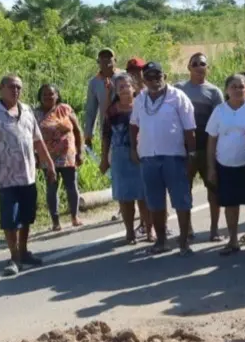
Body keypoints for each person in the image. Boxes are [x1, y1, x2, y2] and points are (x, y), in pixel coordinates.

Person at [0, 74, 56, 275]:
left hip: (28, 174)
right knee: (10, 219)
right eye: (11, 87)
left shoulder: (27, 110)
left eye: (19, 87)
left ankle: (24, 251)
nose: (16, 91)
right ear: (1, 88)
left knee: (27, 216)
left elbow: (37, 140)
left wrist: (50, 164)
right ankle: (14, 257)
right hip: (6, 176)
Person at [130, 61, 197, 256]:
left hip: (174, 157)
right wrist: (134, 148)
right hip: (148, 157)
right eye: (149, 77)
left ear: (164, 76)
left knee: (181, 201)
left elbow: (190, 129)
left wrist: (191, 154)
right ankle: (161, 241)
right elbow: (133, 125)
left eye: (157, 76)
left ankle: (184, 241)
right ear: (144, 79)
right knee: (155, 202)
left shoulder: (178, 97)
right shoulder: (140, 99)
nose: (154, 80)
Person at [206, 74, 245, 256]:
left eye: (241, 87)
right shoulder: (219, 111)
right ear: (227, 90)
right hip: (225, 165)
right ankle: (233, 240)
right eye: (234, 87)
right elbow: (212, 140)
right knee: (230, 204)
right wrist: (212, 168)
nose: (238, 90)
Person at [175, 52, 226, 242]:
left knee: (213, 190)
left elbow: (219, 122)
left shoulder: (214, 92)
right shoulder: (179, 89)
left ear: (207, 68)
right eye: (194, 63)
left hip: (207, 148)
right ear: (189, 67)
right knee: (184, 190)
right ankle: (187, 229)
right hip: (184, 149)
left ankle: (214, 230)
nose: (198, 67)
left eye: (202, 64)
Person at [100, 74, 144, 244]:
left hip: (142, 153)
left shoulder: (142, 106)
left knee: (144, 195)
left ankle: (149, 229)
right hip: (120, 155)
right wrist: (104, 159)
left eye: (127, 86)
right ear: (116, 91)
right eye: (121, 87)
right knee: (125, 197)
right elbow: (106, 136)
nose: (125, 90)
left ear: (134, 88)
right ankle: (130, 231)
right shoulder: (111, 111)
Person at [36, 83, 84, 231]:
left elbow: (77, 130)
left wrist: (80, 151)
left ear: (57, 95)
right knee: (51, 188)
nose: (48, 97)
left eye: (51, 94)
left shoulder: (65, 109)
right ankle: (55, 221)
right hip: (47, 156)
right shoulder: (35, 114)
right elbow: (31, 136)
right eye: (44, 94)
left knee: (71, 186)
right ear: (40, 97)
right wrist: (36, 156)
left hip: (68, 154)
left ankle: (75, 217)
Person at [82, 47, 117, 153]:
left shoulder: (123, 77)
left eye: (109, 58)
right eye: (102, 59)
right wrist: (88, 136)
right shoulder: (94, 82)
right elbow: (91, 111)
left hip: (126, 128)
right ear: (98, 62)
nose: (106, 61)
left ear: (115, 61)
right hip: (106, 129)